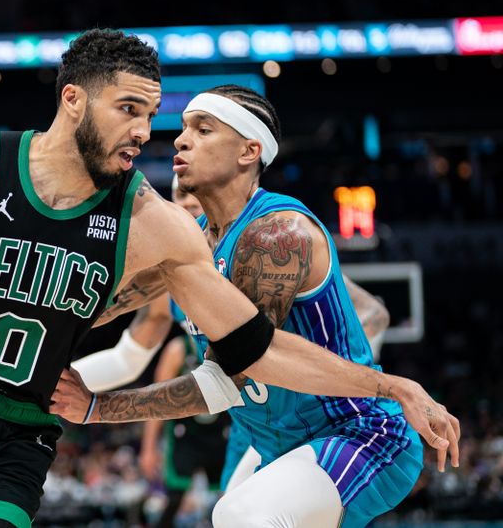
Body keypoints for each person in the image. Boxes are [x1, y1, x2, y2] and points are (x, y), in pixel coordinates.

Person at [0, 29, 457, 528]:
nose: (150, 133)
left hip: (14, 438)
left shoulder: (175, 229)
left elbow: (252, 350)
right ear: (73, 99)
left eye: (157, 114)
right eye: (131, 110)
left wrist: (392, 383)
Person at [50, 85, 459, 527]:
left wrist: (97, 407)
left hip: (357, 433)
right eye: (184, 128)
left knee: (241, 513)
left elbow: (226, 380)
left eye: (202, 129)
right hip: (277, 439)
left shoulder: (278, 235)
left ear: (249, 151)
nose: (181, 140)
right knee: (235, 511)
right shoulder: (189, 247)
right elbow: (95, 306)